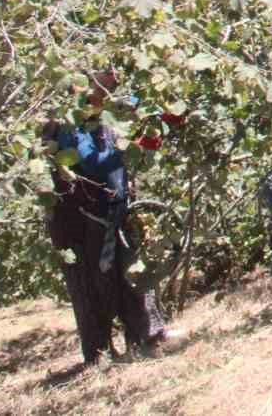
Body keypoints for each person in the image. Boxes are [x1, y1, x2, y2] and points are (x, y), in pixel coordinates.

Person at [43, 70, 169, 366]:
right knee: (96, 284)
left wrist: (156, 121)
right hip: (89, 218)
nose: (115, 78)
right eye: (107, 74)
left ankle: (147, 338)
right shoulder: (69, 123)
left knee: (135, 275)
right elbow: (91, 162)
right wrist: (132, 147)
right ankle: (100, 352)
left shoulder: (109, 109)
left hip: (118, 209)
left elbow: (146, 105)